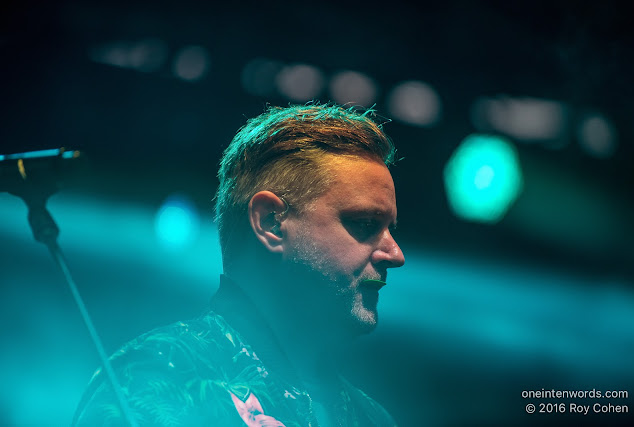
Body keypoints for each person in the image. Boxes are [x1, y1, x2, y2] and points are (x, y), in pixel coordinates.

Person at [73, 103, 405, 426]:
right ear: (271, 223)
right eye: (364, 223)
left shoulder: (373, 418)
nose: (395, 254)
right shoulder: (156, 375)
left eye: (391, 228)